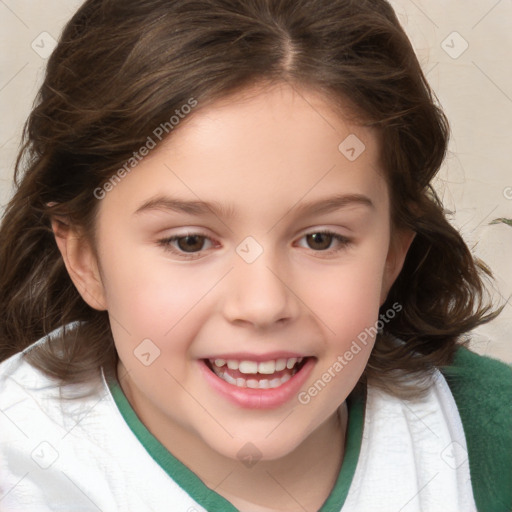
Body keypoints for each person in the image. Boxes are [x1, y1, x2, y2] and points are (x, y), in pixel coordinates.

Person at [0, 0, 510, 511]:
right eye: (190, 242)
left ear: (392, 256)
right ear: (85, 259)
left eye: (321, 239)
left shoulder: (488, 438)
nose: (263, 304)